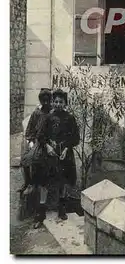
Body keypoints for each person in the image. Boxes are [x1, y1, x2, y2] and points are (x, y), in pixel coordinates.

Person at [38, 89, 80, 221]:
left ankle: (62, 209)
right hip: (49, 154)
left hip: (64, 154)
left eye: (60, 102)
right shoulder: (48, 118)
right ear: (52, 102)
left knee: (63, 181)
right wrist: (48, 146)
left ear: (65, 103)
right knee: (44, 182)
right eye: (55, 101)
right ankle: (41, 212)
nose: (57, 104)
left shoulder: (70, 118)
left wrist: (66, 148)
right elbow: (40, 136)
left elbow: (75, 138)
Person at [19, 88, 52, 195]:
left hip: (50, 144)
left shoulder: (53, 113)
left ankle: (45, 189)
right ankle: (29, 183)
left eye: (48, 100)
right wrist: (31, 142)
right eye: (43, 100)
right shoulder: (36, 113)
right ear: (40, 100)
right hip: (38, 142)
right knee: (26, 160)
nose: (46, 103)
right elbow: (29, 130)